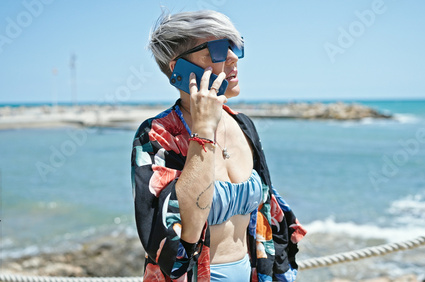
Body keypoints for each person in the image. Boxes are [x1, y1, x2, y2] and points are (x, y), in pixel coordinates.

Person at [131, 10, 307, 282]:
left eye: (236, 46)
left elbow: (266, 218)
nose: (233, 58)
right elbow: (181, 239)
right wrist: (202, 132)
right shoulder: (157, 135)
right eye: (217, 49)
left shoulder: (243, 124)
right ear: (179, 69)